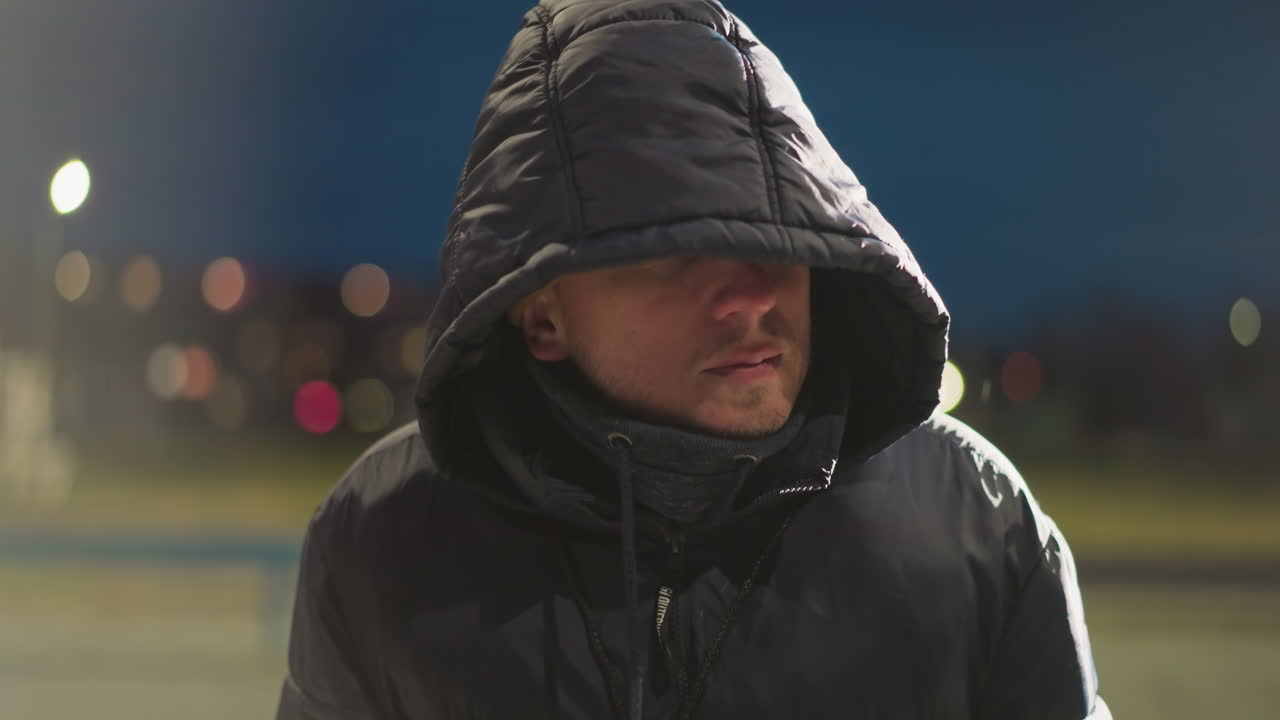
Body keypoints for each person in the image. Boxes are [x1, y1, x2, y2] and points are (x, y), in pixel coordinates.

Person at [276, 1, 1111, 718]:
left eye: (778, 243)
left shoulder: (975, 525)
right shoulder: (385, 541)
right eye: (671, 256)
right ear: (540, 314)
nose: (750, 298)